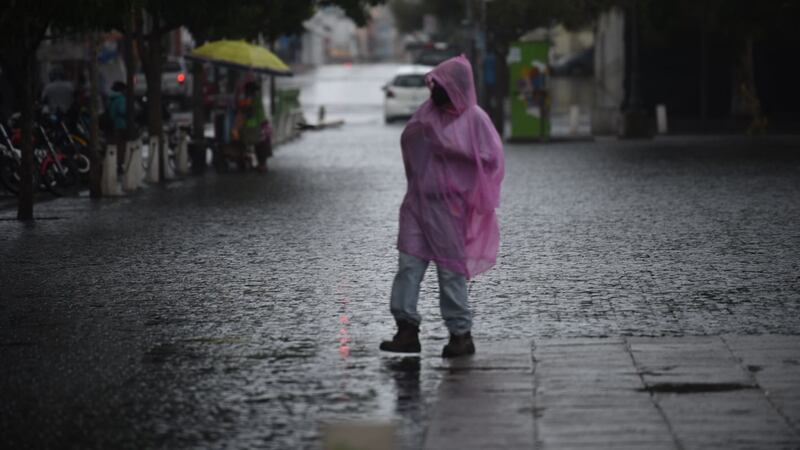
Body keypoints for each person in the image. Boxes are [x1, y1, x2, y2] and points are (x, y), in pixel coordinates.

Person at [380, 56, 505, 358]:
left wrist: (453, 149)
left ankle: (460, 334)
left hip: (451, 208)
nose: (435, 91)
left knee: (450, 270)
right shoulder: (428, 113)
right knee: (408, 266)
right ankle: (406, 329)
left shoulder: (475, 118)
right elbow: (411, 140)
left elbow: (491, 158)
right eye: (434, 84)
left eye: (442, 85)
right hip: (417, 204)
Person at [233, 80, 272, 173]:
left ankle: (261, 165)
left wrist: (243, 109)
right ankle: (262, 164)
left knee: (256, 145)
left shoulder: (252, 100)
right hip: (261, 125)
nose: (246, 93)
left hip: (255, 127)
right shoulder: (255, 99)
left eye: (247, 91)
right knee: (260, 145)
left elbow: (248, 113)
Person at [107, 81, 127, 172]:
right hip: (121, 125)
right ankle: (119, 165)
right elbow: (122, 111)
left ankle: (112, 164)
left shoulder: (110, 98)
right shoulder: (121, 99)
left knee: (113, 146)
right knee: (121, 146)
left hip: (111, 125)